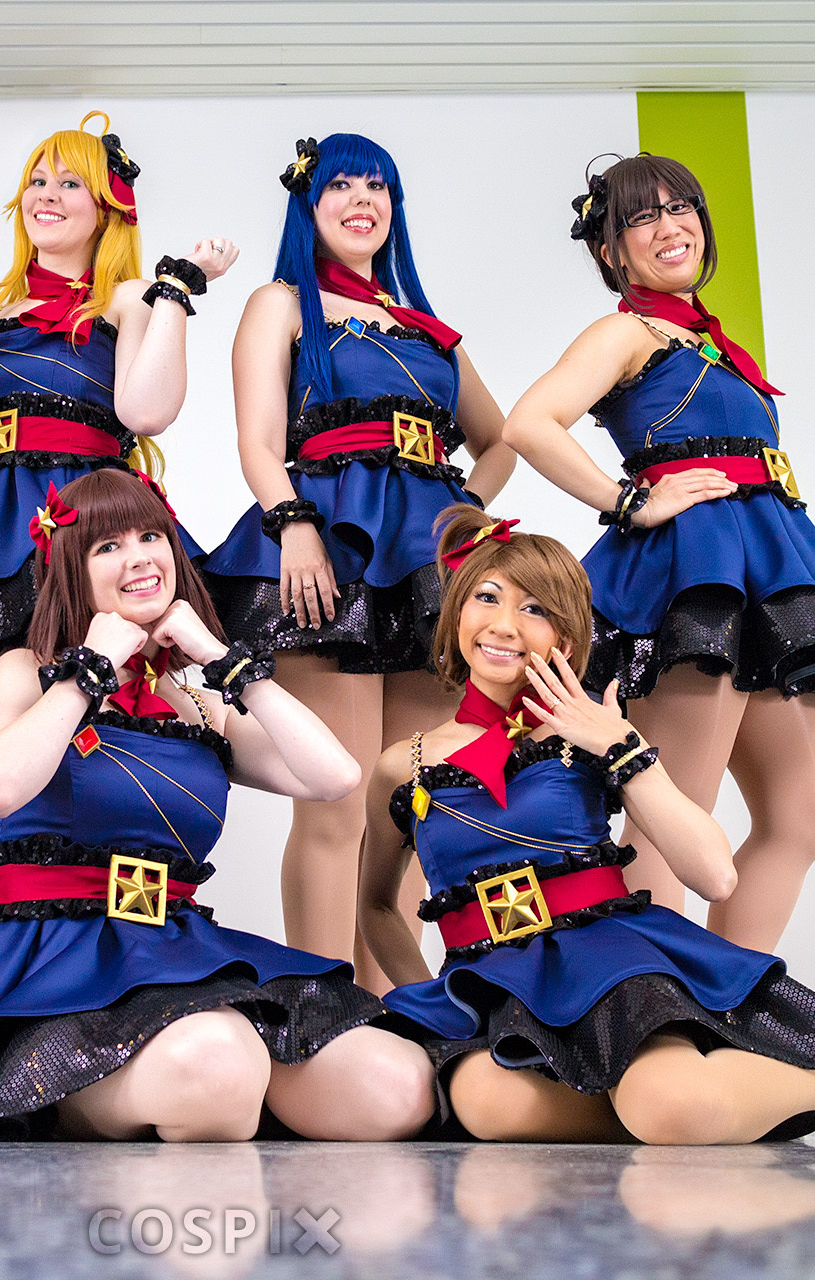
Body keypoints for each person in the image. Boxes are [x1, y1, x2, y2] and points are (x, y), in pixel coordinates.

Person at [0, 469, 436, 1141]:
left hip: (173, 944)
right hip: (57, 958)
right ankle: (54, 1099)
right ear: (69, 568)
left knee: (398, 1089)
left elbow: (335, 776)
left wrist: (221, 658)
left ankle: (195, 1098)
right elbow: (1, 787)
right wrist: (89, 670)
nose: (138, 557)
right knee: (219, 1065)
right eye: (107, 546)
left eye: (150, 536)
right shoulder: (26, 671)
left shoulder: (193, 701)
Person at [361, 506, 815, 1145]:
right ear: (456, 613)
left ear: (565, 641)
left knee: (666, 1105)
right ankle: (701, 1103)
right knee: (490, 1107)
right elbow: (377, 905)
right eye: (486, 598)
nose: (503, 625)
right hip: (491, 980)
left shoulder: (592, 732)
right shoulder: (402, 766)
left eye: (534, 609)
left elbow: (714, 876)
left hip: (609, 965)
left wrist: (622, 749)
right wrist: (433, 1001)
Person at [499, 153, 815, 949]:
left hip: (769, 577)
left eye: (681, 206)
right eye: (641, 217)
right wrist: (629, 501)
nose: (670, 226)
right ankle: (655, 1006)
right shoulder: (625, 331)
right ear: (610, 251)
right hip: (694, 581)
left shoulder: (709, 341)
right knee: (670, 814)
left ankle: (732, 994)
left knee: (803, 815)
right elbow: (529, 423)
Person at [198, 133, 517, 978]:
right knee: (336, 800)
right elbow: (257, 441)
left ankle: (398, 1016)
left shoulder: (428, 332)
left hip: (427, 569)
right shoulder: (280, 303)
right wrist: (293, 523)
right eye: (340, 184)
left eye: (378, 186)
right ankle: (321, 1012)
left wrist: (466, 515)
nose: (361, 200)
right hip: (328, 550)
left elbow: (500, 441)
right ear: (309, 205)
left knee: (404, 808)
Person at [0, 112, 239, 706]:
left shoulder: (127, 298)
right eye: (37, 182)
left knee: (100, 720)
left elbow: (146, 413)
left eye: (69, 183)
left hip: (85, 528)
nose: (47, 195)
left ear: (107, 207)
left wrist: (177, 290)